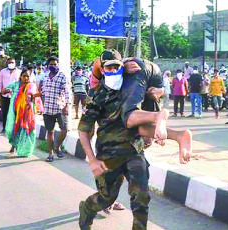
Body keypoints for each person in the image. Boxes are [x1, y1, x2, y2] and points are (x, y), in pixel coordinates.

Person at [78, 51, 192, 230]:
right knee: (106, 197)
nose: (114, 70)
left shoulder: (132, 88)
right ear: (104, 70)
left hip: (133, 150)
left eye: (117, 66)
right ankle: (86, 209)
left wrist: (158, 92)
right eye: (109, 67)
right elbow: (83, 131)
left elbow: (150, 97)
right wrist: (92, 159)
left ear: (122, 67)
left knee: (141, 198)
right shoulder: (97, 96)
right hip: (109, 155)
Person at [4, 68, 43, 158]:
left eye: (28, 76)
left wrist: (36, 95)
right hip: (14, 112)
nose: (26, 78)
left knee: (25, 130)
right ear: (20, 76)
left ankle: (25, 150)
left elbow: (34, 96)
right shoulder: (16, 84)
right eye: (24, 76)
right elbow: (3, 90)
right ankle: (14, 145)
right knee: (11, 129)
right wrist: (7, 90)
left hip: (27, 112)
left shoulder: (32, 86)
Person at [41, 56, 71, 162]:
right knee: (50, 131)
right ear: (48, 66)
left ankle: (57, 146)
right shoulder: (45, 77)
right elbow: (42, 92)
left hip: (60, 108)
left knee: (64, 129)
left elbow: (67, 92)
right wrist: (42, 104)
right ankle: (51, 153)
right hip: (48, 109)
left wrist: (67, 105)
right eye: (51, 64)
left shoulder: (62, 77)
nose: (53, 66)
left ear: (58, 65)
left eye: (55, 64)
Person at [0, 57, 21, 133]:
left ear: (15, 63)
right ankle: (5, 127)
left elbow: (21, 84)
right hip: (4, 95)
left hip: (14, 96)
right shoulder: (3, 71)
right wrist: (0, 91)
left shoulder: (19, 72)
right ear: (7, 63)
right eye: (9, 62)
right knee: (5, 112)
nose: (11, 64)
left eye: (12, 62)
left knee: (14, 112)